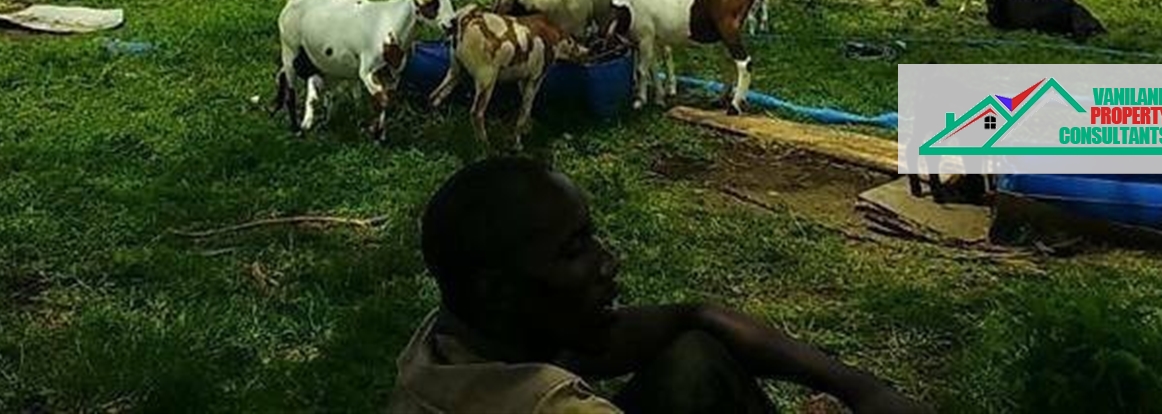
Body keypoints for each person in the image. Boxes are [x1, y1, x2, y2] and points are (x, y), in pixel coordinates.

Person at [389, 158, 930, 414]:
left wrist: (861, 387)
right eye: (573, 251)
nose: (610, 262)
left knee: (693, 357)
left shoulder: (448, 344)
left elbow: (695, 317)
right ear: (499, 290)